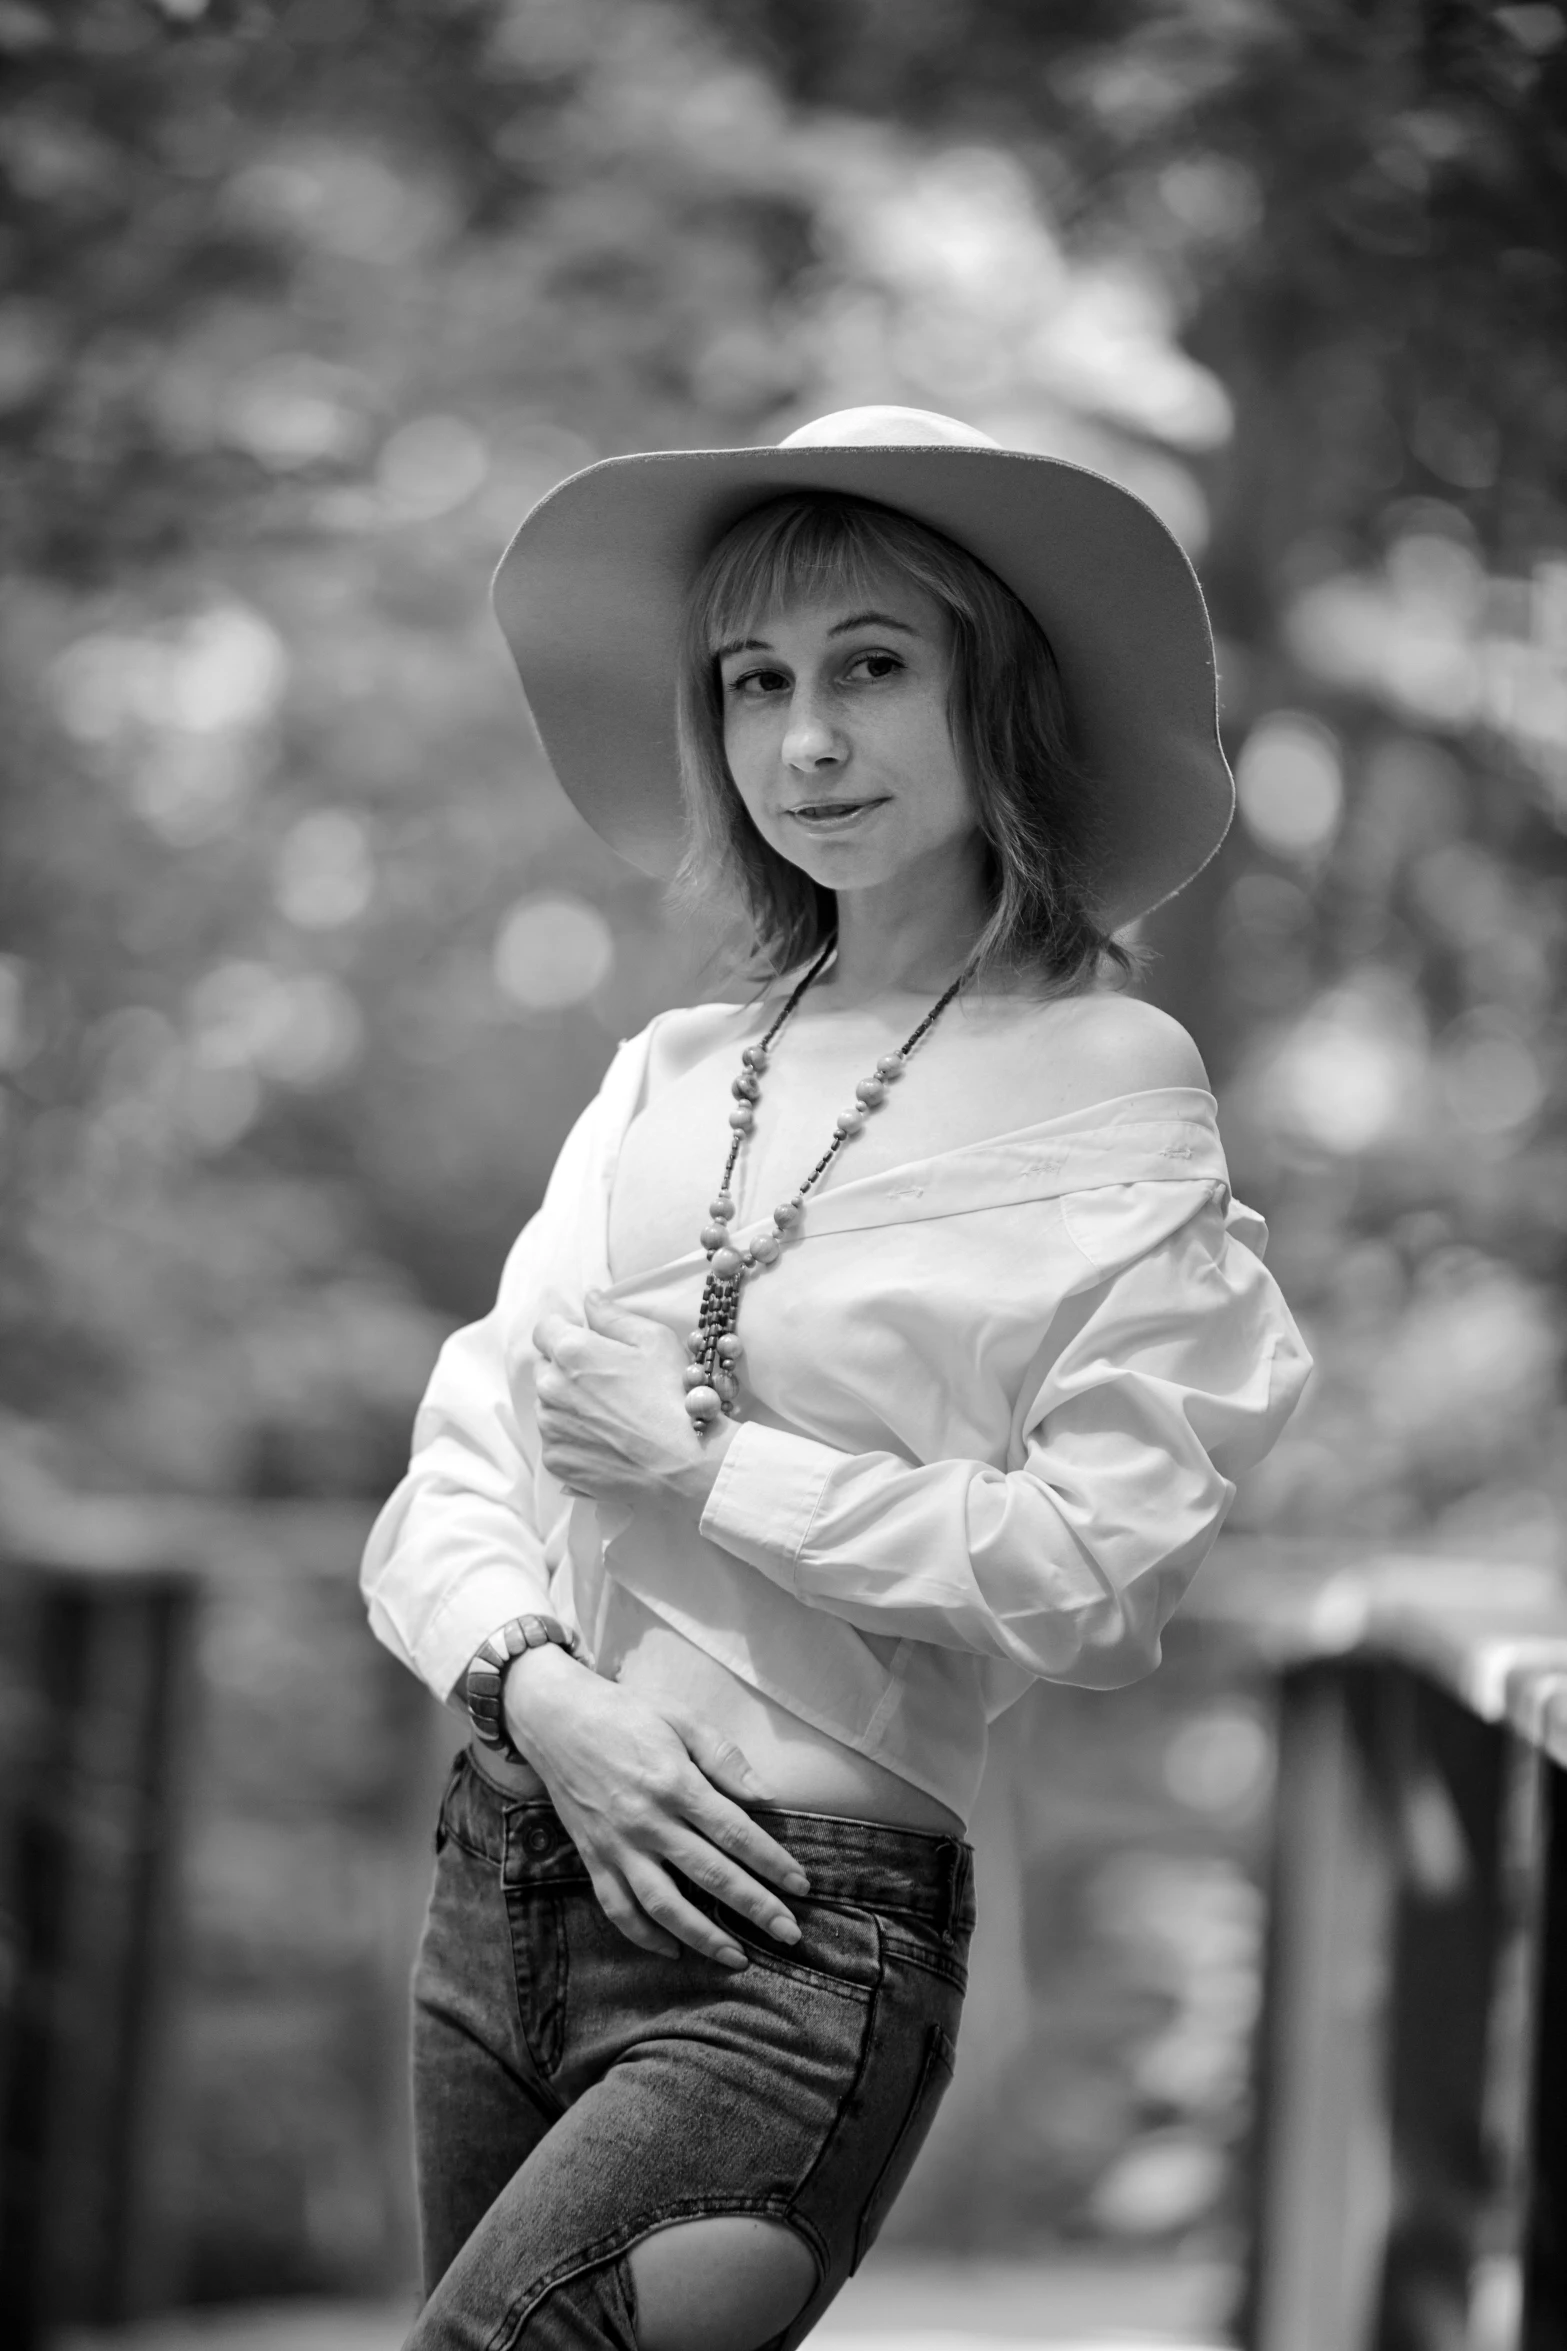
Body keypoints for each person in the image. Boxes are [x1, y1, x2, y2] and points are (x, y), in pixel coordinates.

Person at [360, 405, 1311, 2351]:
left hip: (794, 1941)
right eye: (755, 680)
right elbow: (461, 1455)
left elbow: (1101, 1563)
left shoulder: (1109, 1083)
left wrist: (719, 1475)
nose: (806, 738)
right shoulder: (667, 1071)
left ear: (998, 695)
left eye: (873, 665)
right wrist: (544, 1693)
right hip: (507, 1873)